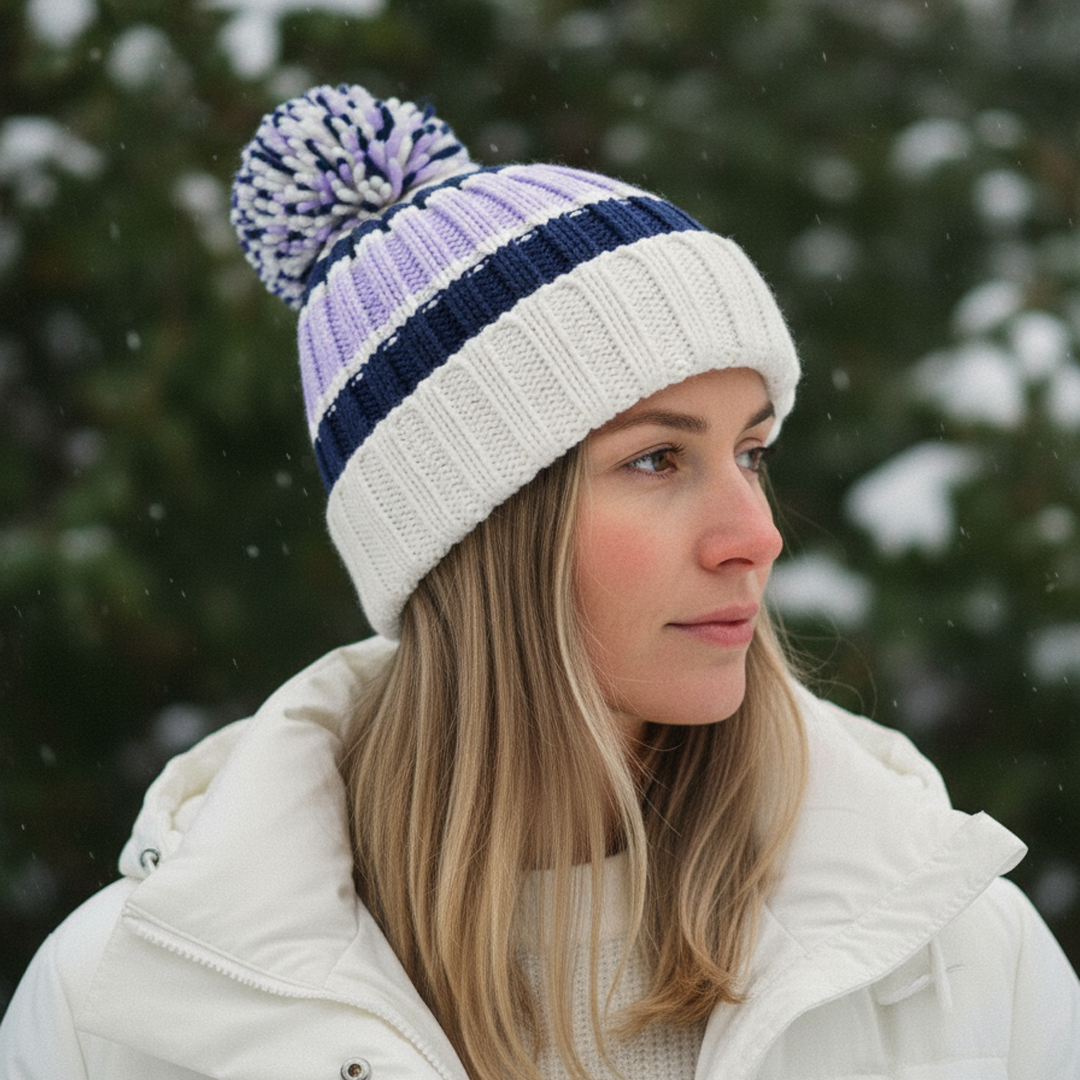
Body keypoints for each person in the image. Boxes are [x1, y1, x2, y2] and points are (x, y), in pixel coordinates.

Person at [1, 83, 1077, 1080]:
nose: (754, 535)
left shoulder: (950, 954)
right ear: (472, 535)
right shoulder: (134, 1014)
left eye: (750, 452)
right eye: (658, 459)